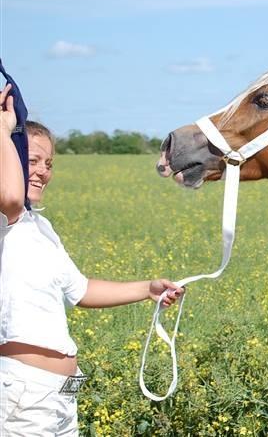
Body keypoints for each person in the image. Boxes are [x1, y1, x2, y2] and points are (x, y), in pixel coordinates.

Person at [0, 83, 183, 435]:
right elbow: (8, 194)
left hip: (61, 396)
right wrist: (3, 130)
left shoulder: (40, 226)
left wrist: (148, 288)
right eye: (32, 159)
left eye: (49, 163)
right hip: (22, 394)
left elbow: (81, 291)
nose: (43, 171)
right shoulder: (5, 218)